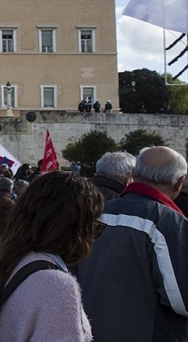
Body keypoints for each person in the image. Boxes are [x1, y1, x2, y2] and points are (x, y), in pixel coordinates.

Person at [77, 146, 188, 342]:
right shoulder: (170, 224)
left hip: (89, 332)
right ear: (179, 182)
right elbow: (181, 299)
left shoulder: (97, 213)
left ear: (134, 174)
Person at [0, 171, 102, 342]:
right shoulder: (56, 284)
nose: (94, 234)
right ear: (74, 227)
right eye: (94, 225)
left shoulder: (14, 259)